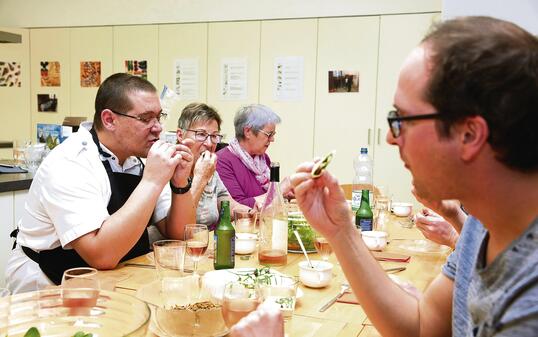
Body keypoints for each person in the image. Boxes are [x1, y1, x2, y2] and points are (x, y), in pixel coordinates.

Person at [234, 16, 538, 337]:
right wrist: (340, 230)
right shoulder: (485, 221)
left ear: (469, 133)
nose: (392, 138)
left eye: (402, 119)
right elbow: (422, 325)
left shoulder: (528, 303)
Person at [6, 73, 196, 293]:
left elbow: (182, 234)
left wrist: (180, 183)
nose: (158, 128)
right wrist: (152, 181)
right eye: (145, 118)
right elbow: (101, 255)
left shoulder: (138, 159)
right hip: (48, 284)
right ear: (109, 120)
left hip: (110, 279)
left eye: (159, 117)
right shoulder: (72, 161)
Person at [149, 102, 250, 242]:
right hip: (166, 254)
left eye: (214, 136)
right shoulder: (167, 166)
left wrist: (249, 212)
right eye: (201, 134)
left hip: (200, 247)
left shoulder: (207, 167)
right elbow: (177, 234)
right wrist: (201, 178)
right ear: (180, 134)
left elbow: (225, 201)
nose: (209, 143)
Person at [216, 104, 293, 208]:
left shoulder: (263, 158)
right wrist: (279, 191)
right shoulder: (222, 160)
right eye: (269, 134)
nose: (272, 139)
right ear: (248, 131)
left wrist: (285, 195)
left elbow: (267, 201)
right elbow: (235, 208)